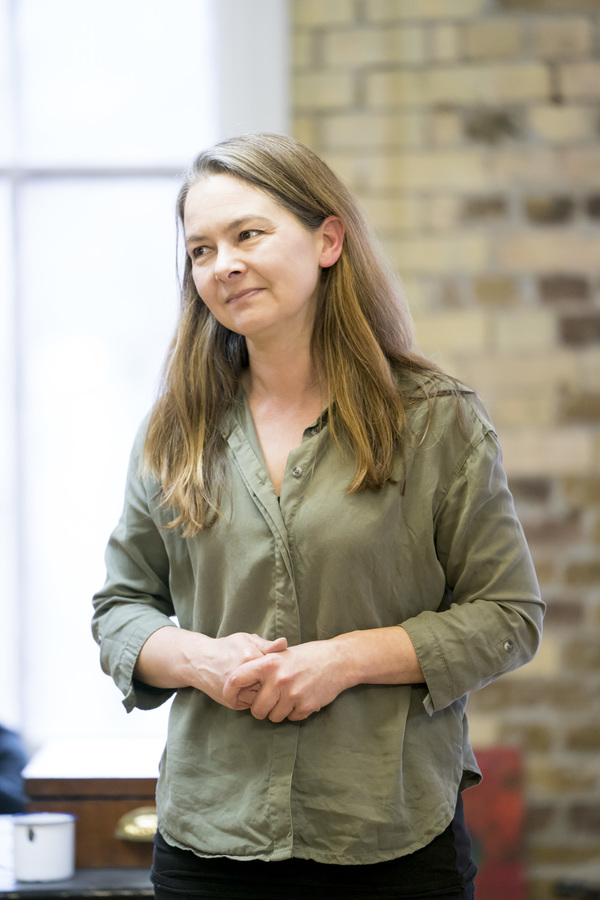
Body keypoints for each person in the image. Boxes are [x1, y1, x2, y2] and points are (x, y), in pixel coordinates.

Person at [92, 133, 544, 900]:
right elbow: (119, 611)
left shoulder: (438, 423)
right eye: (200, 250)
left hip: (389, 843)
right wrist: (201, 660)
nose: (222, 264)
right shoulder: (173, 429)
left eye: (248, 234)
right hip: (209, 843)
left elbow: (510, 614)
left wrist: (342, 660)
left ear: (327, 239)